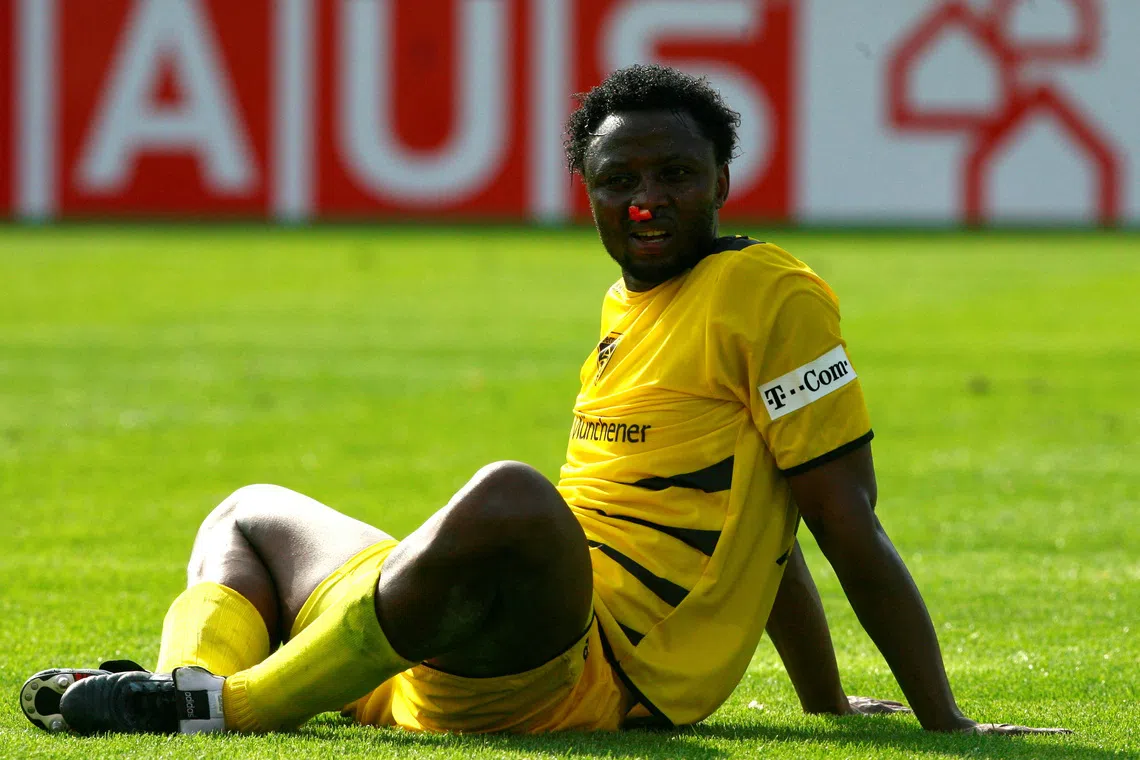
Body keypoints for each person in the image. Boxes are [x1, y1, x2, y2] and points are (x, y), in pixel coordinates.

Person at [21, 64, 1067, 738]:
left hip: (586, 670)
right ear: (588, 191)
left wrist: (943, 723)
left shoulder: (771, 296)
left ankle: (242, 702)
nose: (646, 200)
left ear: (722, 180)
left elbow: (832, 517)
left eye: (674, 174)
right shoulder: (626, 303)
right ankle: (183, 694)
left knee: (515, 496)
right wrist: (824, 701)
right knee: (249, 513)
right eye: (619, 180)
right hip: (445, 653)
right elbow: (751, 520)